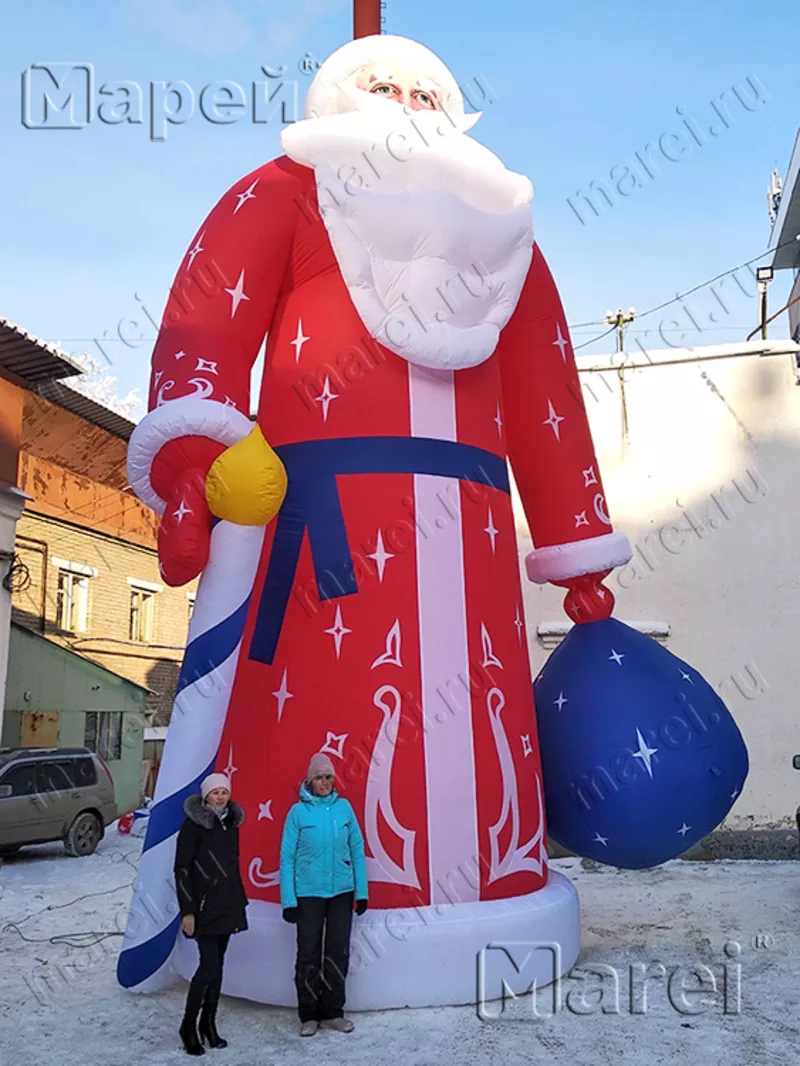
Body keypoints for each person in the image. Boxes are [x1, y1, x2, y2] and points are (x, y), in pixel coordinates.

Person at [280, 752, 368, 1036]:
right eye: (319, 777)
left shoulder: (344, 809)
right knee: (308, 953)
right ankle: (309, 1014)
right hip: (308, 895)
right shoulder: (297, 813)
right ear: (310, 780)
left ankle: (332, 1012)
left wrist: (362, 892)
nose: (325, 782)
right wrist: (289, 900)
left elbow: (357, 849)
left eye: (328, 777)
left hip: (341, 892)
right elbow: (286, 858)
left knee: (336, 953)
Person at [174, 772, 248, 1055]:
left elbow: (232, 863)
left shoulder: (231, 824)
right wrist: (188, 911)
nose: (220, 797)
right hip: (203, 908)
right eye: (215, 792)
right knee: (208, 967)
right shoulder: (193, 826)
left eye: (224, 792)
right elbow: (182, 869)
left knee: (218, 969)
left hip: (227, 904)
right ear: (205, 796)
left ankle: (209, 1024)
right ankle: (188, 1026)